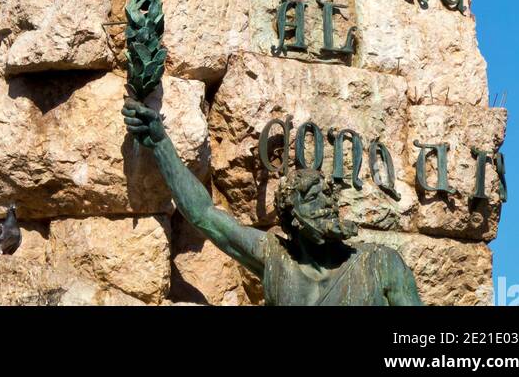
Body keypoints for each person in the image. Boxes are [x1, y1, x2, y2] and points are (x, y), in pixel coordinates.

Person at [122, 100, 423, 306]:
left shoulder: (381, 264)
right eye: (312, 198)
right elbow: (204, 214)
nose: (327, 204)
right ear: (293, 218)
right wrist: (161, 145)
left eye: (329, 195)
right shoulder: (275, 257)